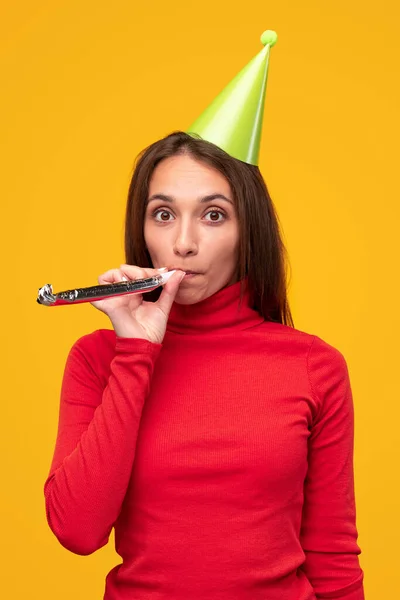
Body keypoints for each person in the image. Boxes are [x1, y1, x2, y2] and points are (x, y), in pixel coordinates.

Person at [43, 32, 365, 600]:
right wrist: (136, 351)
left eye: (213, 215)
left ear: (248, 232)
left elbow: (333, 555)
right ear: (141, 228)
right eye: (163, 214)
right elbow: (76, 530)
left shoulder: (315, 366)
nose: (183, 243)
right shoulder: (98, 359)